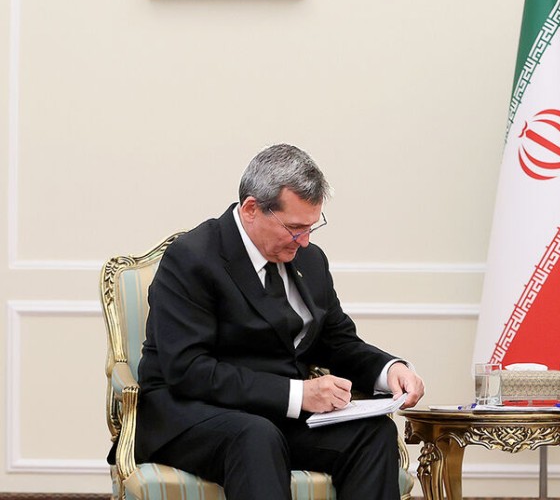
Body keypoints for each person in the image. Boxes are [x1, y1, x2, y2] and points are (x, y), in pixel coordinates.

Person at [134, 144, 425, 500]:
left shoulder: (310, 261)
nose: (304, 241)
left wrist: (389, 369)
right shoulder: (192, 258)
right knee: (256, 436)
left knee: (372, 434)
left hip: (274, 416)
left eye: (311, 227)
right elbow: (189, 370)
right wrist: (299, 394)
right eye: (295, 228)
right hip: (192, 414)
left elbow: (338, 341)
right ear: (251, 209)